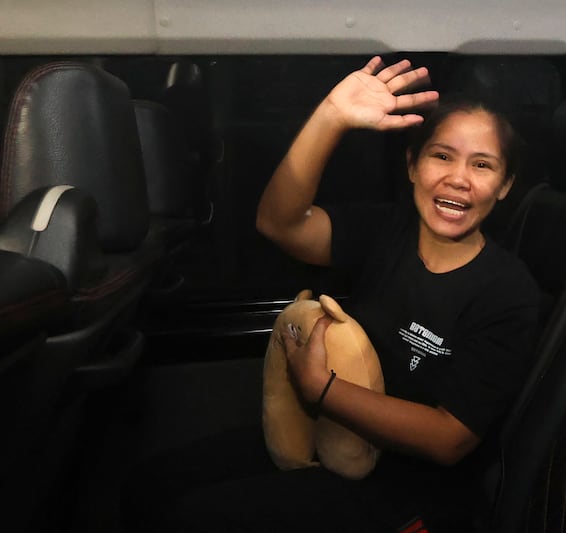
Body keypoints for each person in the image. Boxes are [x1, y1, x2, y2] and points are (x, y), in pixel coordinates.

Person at [122, 57, 539, 533]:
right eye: (441, 156)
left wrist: (322, 389)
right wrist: (331, 117)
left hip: (409, 491)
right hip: (327, 435)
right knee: (152, 485)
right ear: (412, 166)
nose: (458, 178)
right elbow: (279, 223)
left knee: (191, 518)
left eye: (482, 165)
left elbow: (449, 438)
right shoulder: (388, 231)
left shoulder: (508, 292)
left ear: (504, 187)